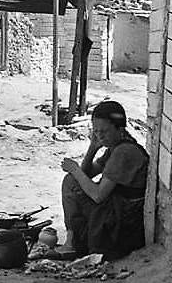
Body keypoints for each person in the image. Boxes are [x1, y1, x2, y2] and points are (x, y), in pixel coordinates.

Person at [57, 100, 148, 260]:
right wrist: (92, 148)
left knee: (72, 183)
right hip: (114, 207)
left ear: (120, 128)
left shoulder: (124, 151)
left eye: (104, 132)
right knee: (71, 181)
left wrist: (75, 170)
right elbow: (87, 173)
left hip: (124, 219)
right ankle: (73, 240)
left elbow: (98, 195)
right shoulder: (115, 146)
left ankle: (75, 242)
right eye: (96, 132)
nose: (100, 136)